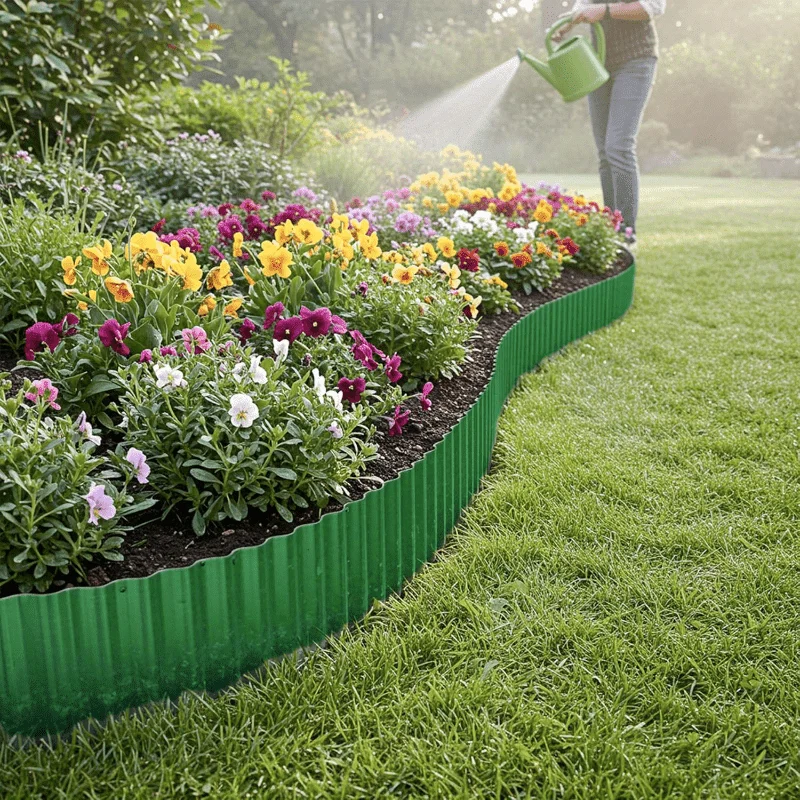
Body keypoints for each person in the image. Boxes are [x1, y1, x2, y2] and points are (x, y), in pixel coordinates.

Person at [554, 1, 666, 244]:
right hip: (598, 63)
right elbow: (583, 7)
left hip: (636, 60)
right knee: (605, 151)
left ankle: (626, 233)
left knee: (619, 146)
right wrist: (566, 24)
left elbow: (653, 6)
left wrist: (604, 11)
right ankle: (610, 228)